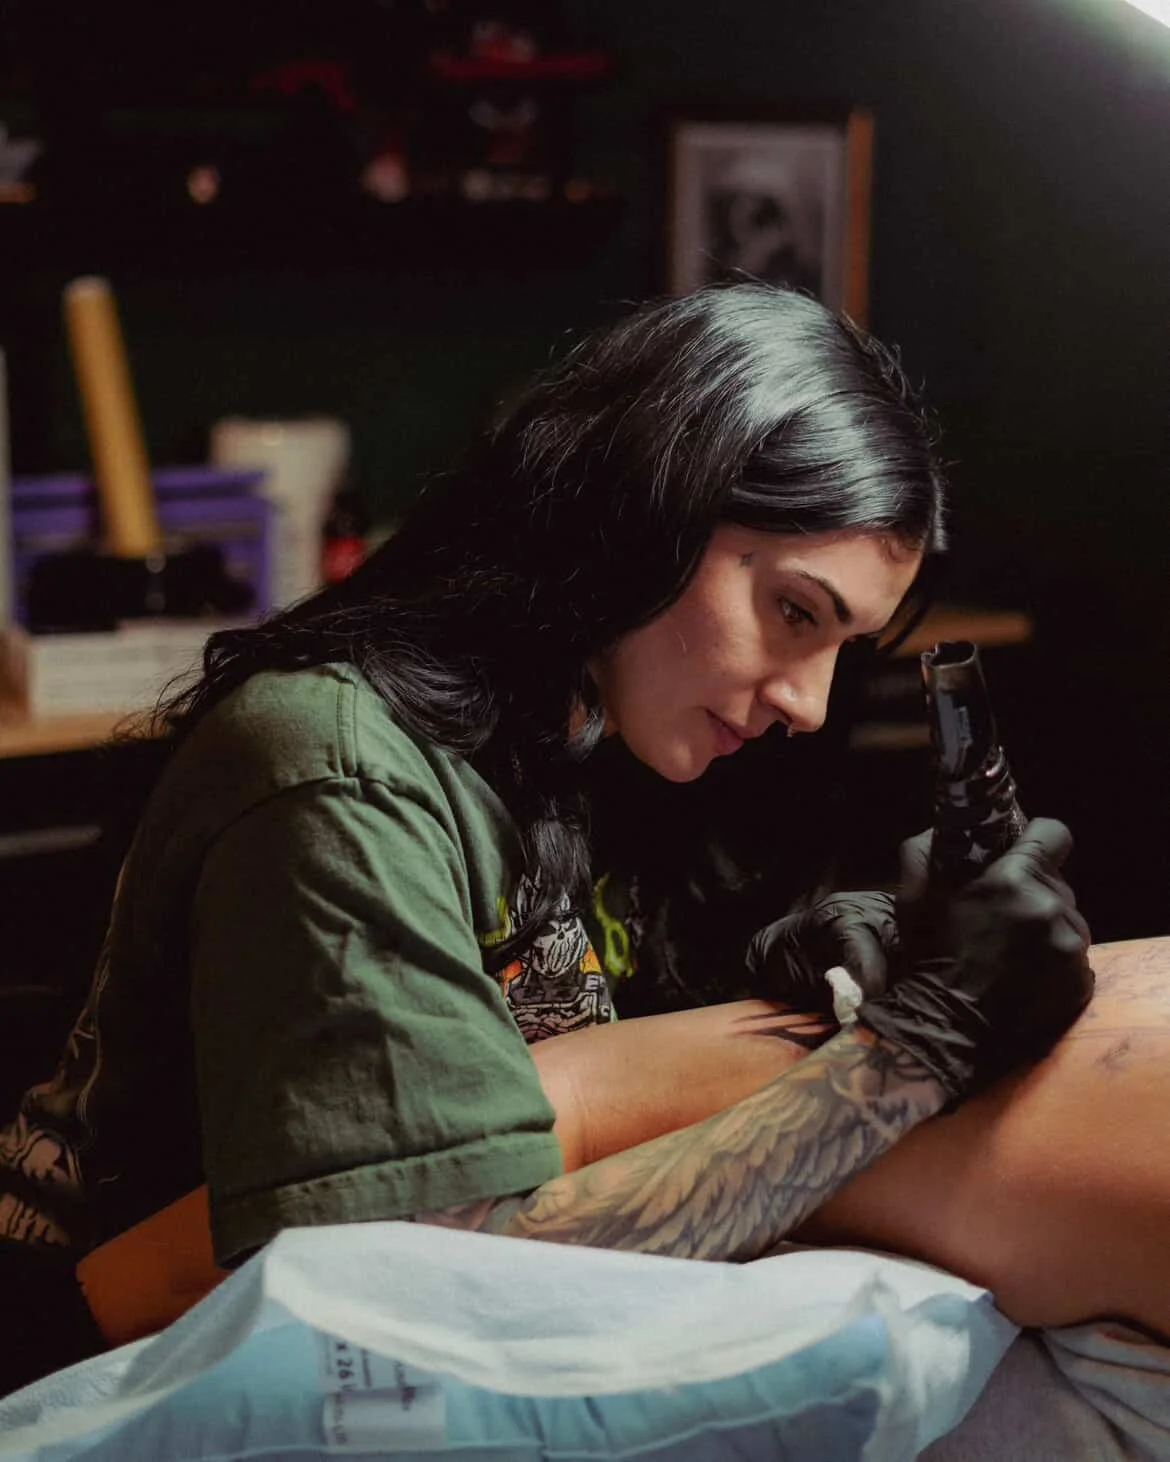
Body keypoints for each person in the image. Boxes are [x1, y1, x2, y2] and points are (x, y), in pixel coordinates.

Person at [0, 283, 1091, 1395]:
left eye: (842, 644)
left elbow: (572, 1043)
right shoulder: (338, 767)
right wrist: (909, 1057)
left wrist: (786, 968)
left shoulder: (592, 722)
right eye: (793, 610)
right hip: (103, 1365)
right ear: (644, 512)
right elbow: (427, 1289)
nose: (809, 702)